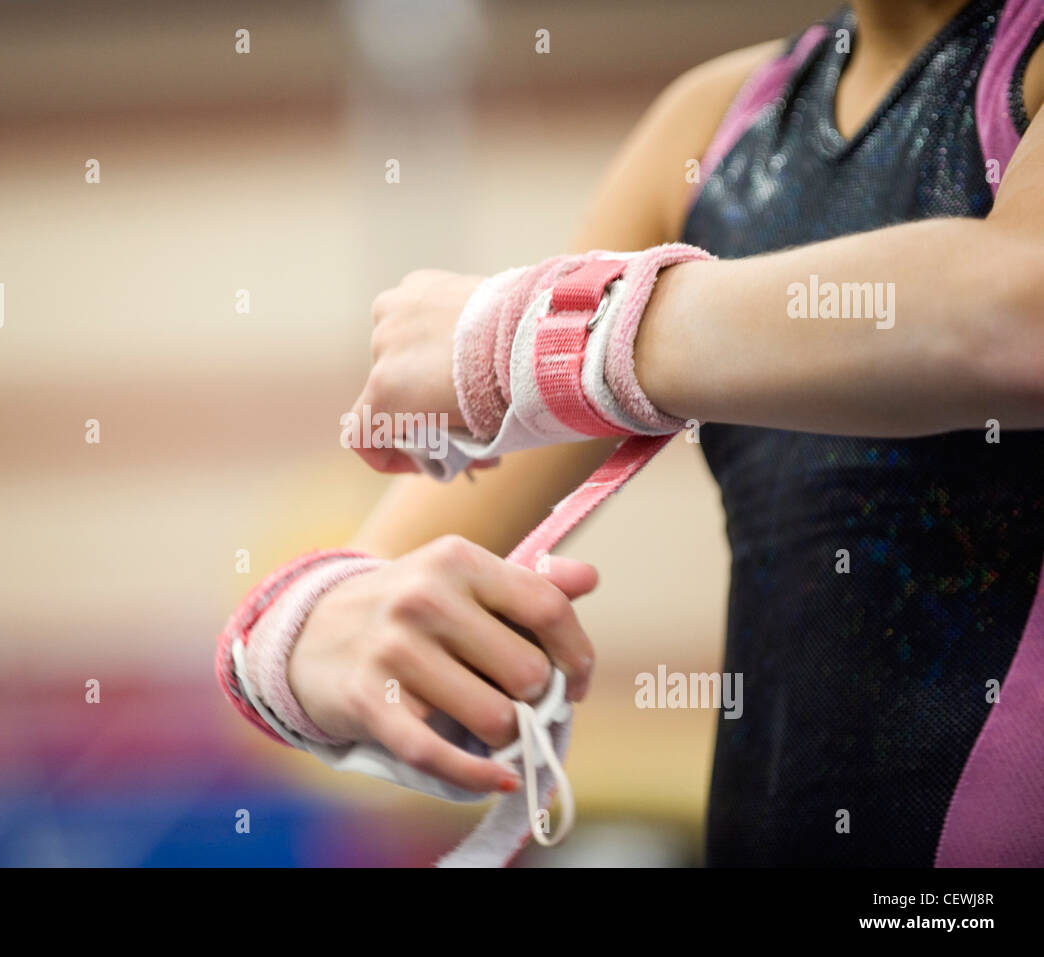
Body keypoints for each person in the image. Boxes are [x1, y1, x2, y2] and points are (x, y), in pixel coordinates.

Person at [218, 0, 1044, 866]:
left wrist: (549, 331)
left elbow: (1015, 314)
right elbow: (389, 565)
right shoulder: (716, 122)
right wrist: (306, 637)